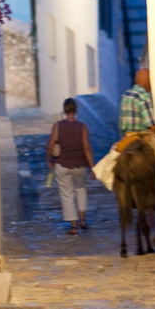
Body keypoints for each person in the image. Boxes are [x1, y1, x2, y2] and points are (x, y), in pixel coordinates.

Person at [46, 98, 95, 235]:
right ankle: (83, 221)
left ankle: (74, 226)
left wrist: (48, 159)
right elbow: (86, 147)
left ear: (64, 110)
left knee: (67, 194)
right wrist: (92, 166)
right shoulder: (82, 127)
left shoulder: (57, 126)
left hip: (62, 164)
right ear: (76, 110)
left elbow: (50, 145)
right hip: (80, 164)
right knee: (81, 189)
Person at [119, 67, 155, 137]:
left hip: (126, 141)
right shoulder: (142, 96)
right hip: (139, 143)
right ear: (149, 82)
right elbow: (151, 125)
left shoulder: (126, 95)